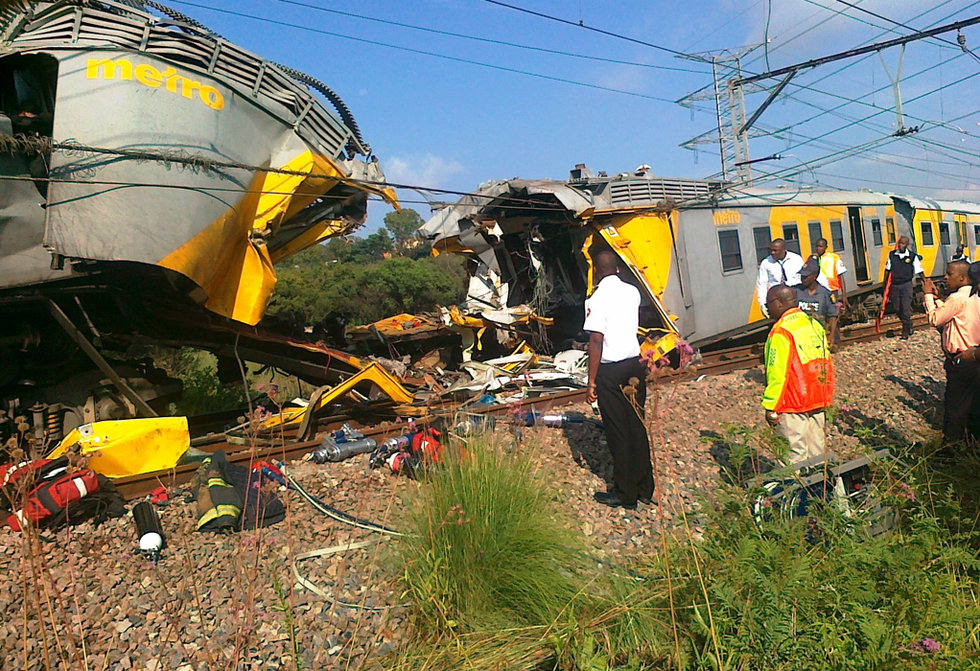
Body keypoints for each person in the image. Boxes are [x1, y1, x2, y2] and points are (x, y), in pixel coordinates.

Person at [584, 250, 653, 509]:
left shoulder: (596, 299)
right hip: (635, 366)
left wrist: (591, 382)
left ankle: (626, 494)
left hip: (611, 370)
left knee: (618, 432)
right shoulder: (632, 291)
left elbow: (596, 340)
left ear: (597, 271)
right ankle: (646, 488)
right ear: (616, 268)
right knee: (637, 425)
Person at [762, 284, 835, 465]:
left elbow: (777, 371)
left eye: (768, 303)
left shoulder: (782, 331)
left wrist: (771, 407)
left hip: (792, 403)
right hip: (818, 398)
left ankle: (797, 492)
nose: (766, 308)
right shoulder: (813, 324)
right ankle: (820, 492)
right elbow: (825, 362)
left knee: (793, 459)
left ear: (779, 303)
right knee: (818, 455)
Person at [923, 260, 980, 444]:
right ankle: (971, 444)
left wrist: (927, 296)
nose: (946, 278)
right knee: (973, 407)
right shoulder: (973, 296)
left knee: (954, 409)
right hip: (974, 358)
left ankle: (950, 449)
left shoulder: (956, 298)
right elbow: (954, 314)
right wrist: (939, 299)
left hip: (961, 361)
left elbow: (935, 319)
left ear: (962, 278)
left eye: (949, 274)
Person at [884, 236, 923, 340]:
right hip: (895, 285)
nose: (901, 245)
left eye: (903, 243)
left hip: (906, 285)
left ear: (907, 245)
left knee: (905, 308)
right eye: (900, 243)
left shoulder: (912, 256)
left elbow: (919, 270)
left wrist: (925, 280)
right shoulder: (892, 255)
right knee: (897, 308)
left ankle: (905, 331)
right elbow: (887, 271)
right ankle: (909, 324)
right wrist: (885, 287)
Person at [756, 239, 806, 316]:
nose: (772, 253)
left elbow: (804, 277)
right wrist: (762, 303)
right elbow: (762, 284)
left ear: (783, 250)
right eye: (771, 250)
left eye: (775, 250)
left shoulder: (796, 259)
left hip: (794, 295)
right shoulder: (766, 263)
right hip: (777, 299)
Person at [796, 257, 839, 345]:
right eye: (801, 276)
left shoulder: (825, 293)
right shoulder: (795, 291)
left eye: (806, 276)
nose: (803, 279)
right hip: (800, 337)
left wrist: (832, 336)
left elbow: (832, 317)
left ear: (815, 275)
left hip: (818, 337)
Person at [813, 238, 848, 332]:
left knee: (832, 313)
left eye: (820, 246)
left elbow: (841, 277)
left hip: (831, 291)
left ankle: (834, 334)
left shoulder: (834, 258)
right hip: (818, 291)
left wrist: (844, 294)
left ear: (826, 247)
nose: (818, 248)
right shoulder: (813, 259)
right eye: (816, 246)